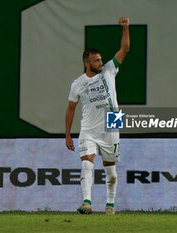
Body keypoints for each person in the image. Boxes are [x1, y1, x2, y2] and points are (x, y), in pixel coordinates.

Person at [65, 17, 130, 215]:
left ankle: (110, 205)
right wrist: (67, 134)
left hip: (113, 123)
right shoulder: (78, 83)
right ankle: (87, 202)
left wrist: (125, 28)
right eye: (96, 60)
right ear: (87, 63)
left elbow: (125, 49)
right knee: (86, 163)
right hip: (88, 129)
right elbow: (70, 109)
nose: (101, 62)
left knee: (110, 171)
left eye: (101, 59)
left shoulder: (109, 70)